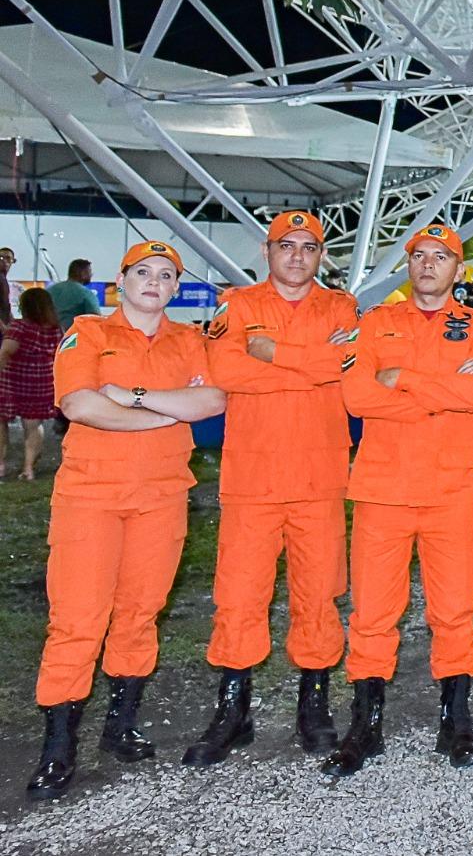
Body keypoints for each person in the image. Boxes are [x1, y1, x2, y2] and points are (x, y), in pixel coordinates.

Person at [26, 242, 226, 800]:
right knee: (78, 618)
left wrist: (132, 397)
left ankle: (120, 723)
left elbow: (211, 400)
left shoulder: (190, 339)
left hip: (162, 495)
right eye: (144, 272)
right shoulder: (88, 333)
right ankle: (58, 746)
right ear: (121, 280)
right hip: (92, 495)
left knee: (141, 610)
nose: (154, 282)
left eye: (166, 275)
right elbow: (80, 405)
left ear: (175, 286)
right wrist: (164, 412)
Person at [324, 224, 473, 777]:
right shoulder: (374, 323)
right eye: (419, 256)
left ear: (459, 270)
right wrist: (439, 391)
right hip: (383, 491)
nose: (428, 265)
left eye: (441, 257)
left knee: (454, 610)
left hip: (450, 491)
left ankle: (456, 720)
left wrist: (400, 378)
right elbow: (357, 396)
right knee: (373, 612)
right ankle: (365, 723)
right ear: (408, 266)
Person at [183, 211, 358, 767]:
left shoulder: (342, 308)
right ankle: (233, 711)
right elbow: (227, 371)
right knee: (238, 596)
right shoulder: (238, 305)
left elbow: (345, 367)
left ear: (322, 255)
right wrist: (310, 364)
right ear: (268, 250)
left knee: (319, 594)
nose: (298, 256)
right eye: (288, 245)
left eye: (310, 247)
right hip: (253, 479)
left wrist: (273, 353)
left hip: (318, 479)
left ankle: (315, 705)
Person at [0, 288, 64, 480]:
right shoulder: (55, 328)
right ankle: (28, 468)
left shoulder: (20, 327)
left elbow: (7, 351)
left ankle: (0, 465)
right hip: (42, 382)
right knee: (33, 425)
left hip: (13, 380)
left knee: (1, 423)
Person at [48, 260, 101, 331]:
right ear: (82, 273)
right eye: (89, 272)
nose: (91, 275)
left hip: (49, 337)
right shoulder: (86, 294)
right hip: (72, 338)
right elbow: (95, 319)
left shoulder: (50, 290)